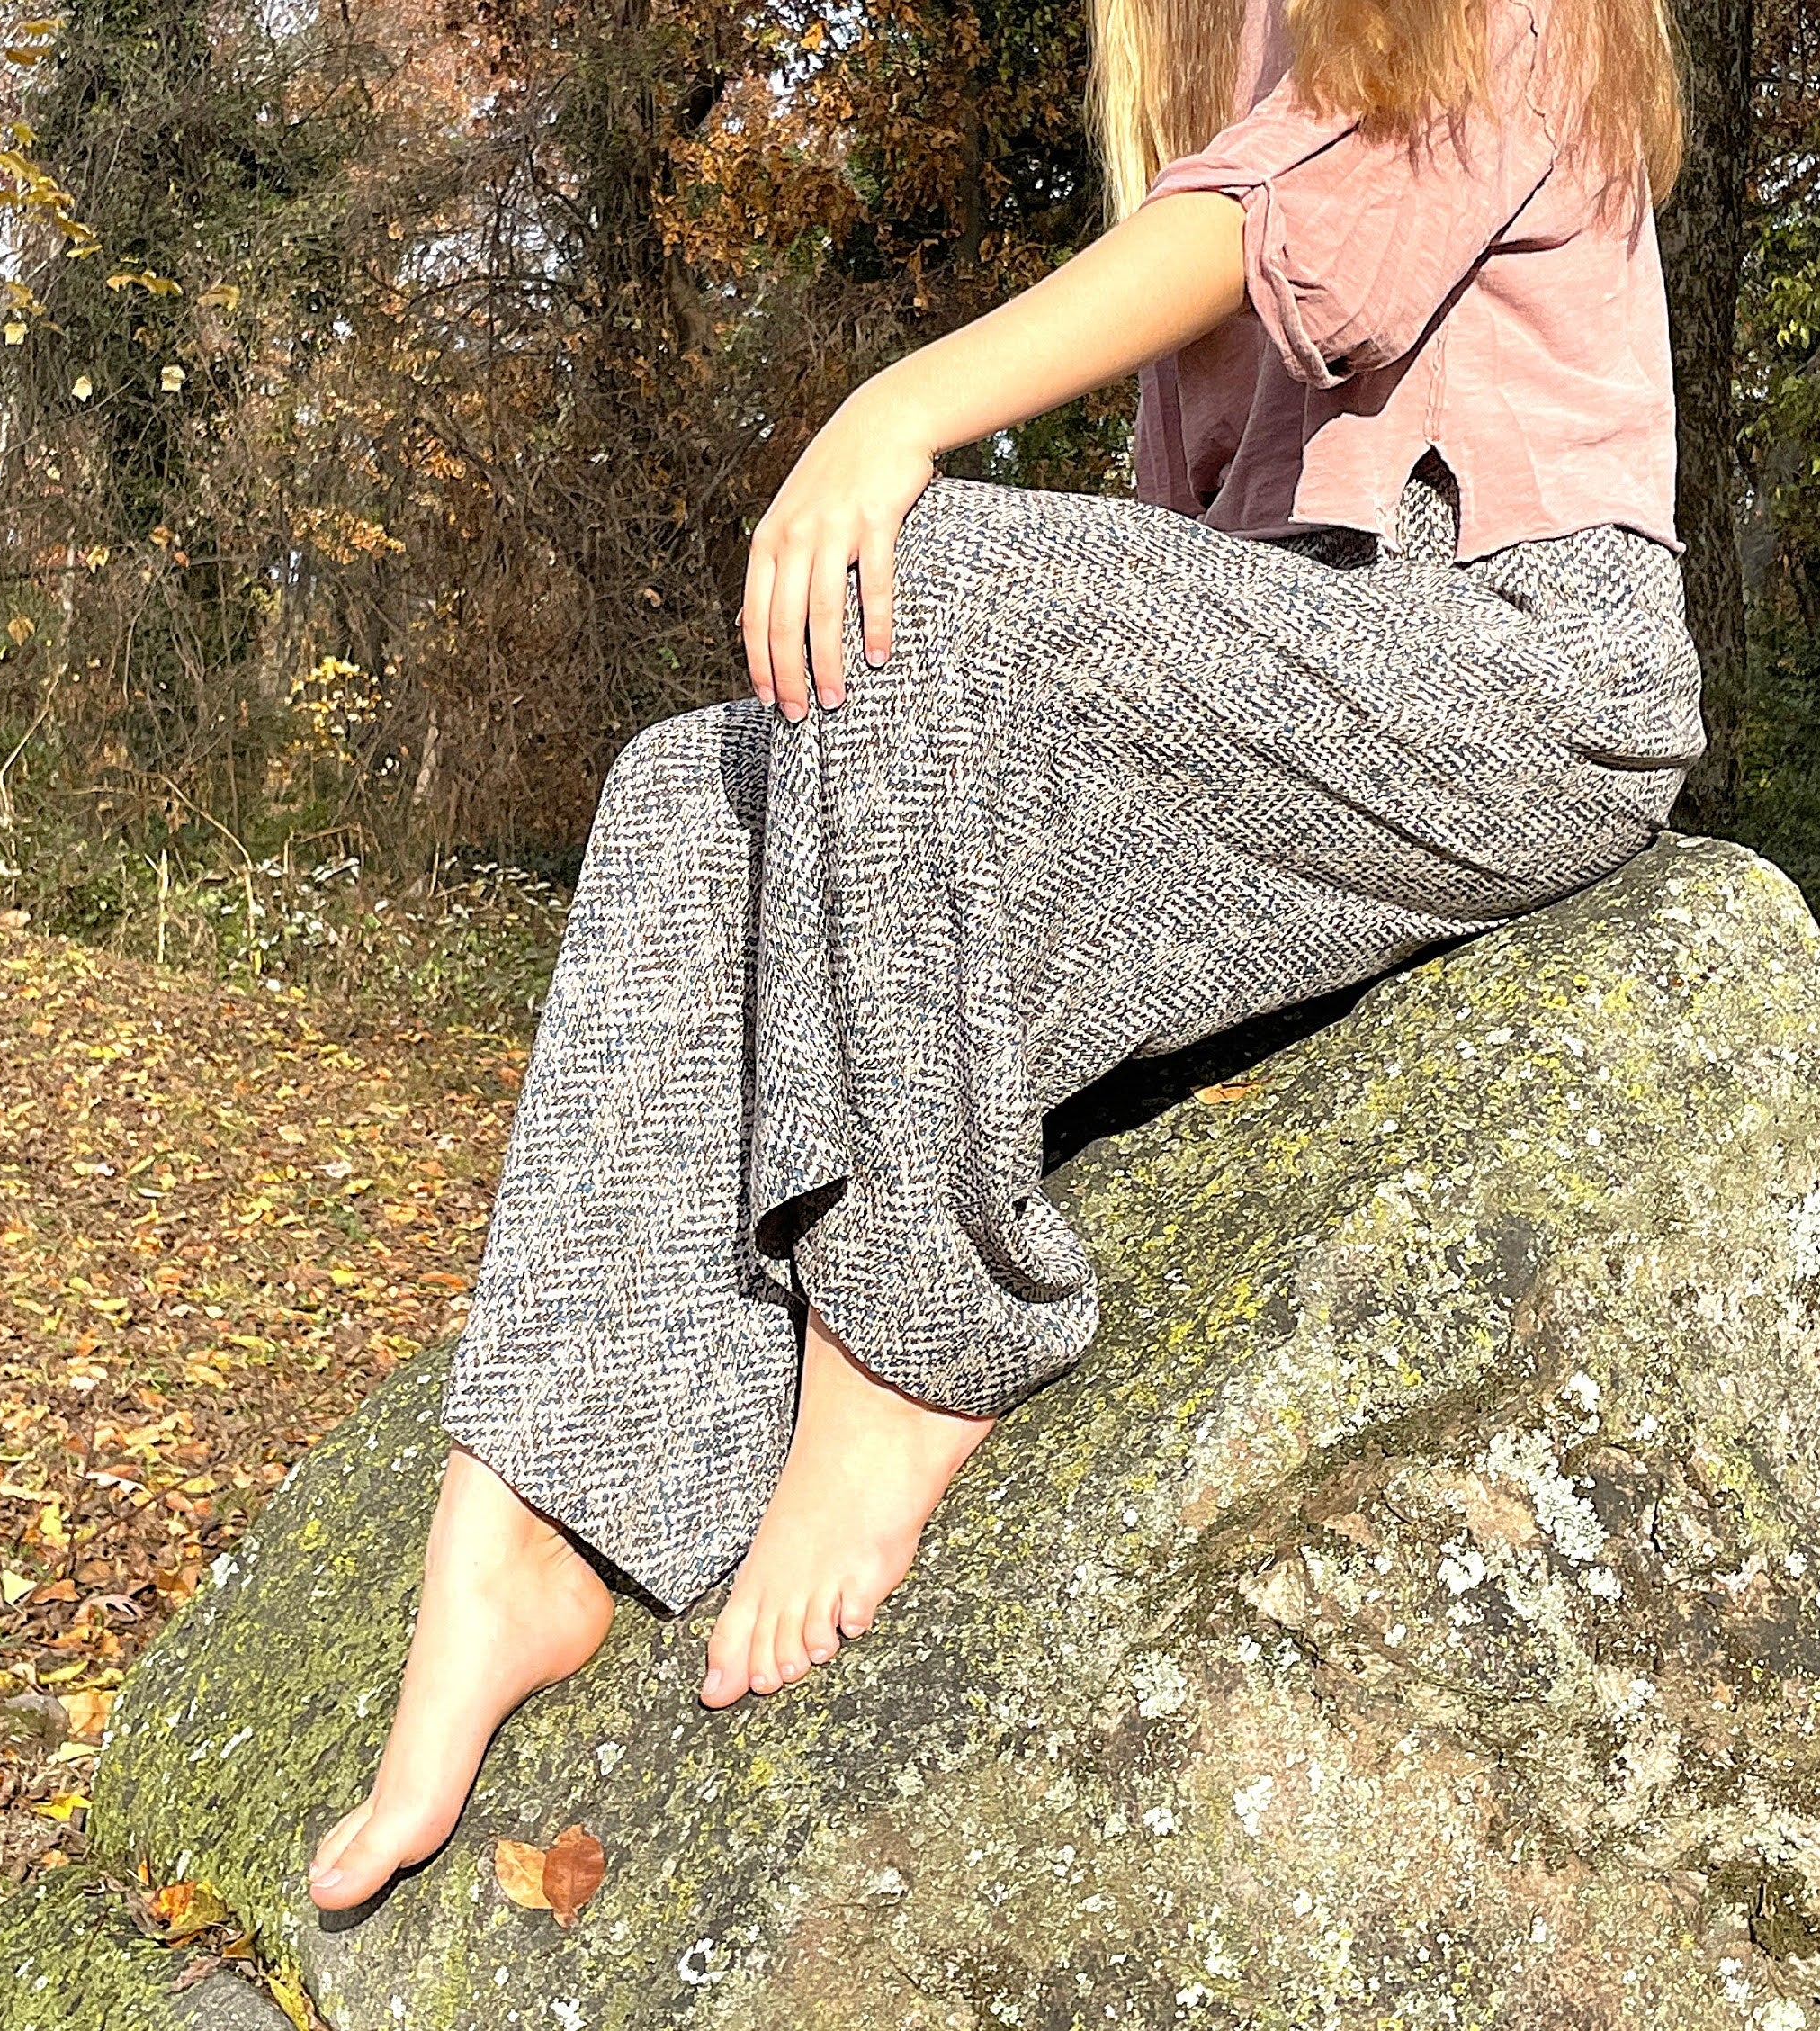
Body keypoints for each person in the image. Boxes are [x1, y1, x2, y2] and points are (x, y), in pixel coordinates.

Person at [308, 0, 1702, 1910]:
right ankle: (543, 1504)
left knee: (917, 573)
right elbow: (1179, 546)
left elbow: (1276, 238)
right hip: (1307, 662)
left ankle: (912, 1343)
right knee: (689, 785)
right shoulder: (1210, 39)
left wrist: (892, 409)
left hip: (1521, 657)